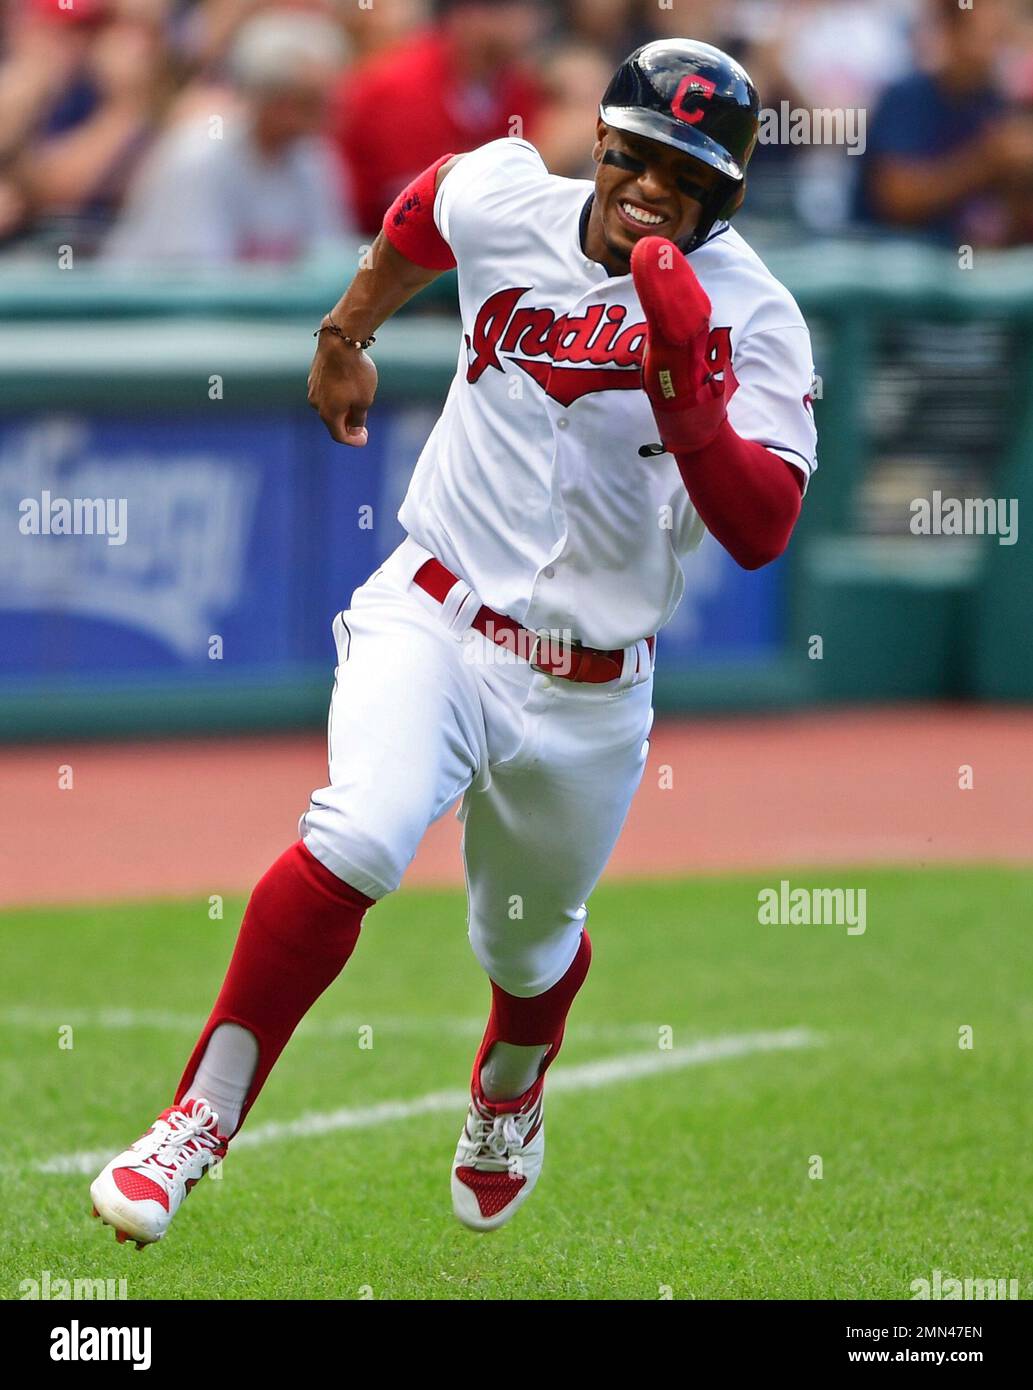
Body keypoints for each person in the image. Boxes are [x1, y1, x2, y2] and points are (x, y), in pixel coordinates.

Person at [90, 37, 817, 1243]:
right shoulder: (509, 196)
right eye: (637, 152)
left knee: (526, 952)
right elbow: (423, 209)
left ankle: (509, 1087)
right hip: (434, 607)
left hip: (590, 682)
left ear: (724, 195)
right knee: (361, 833)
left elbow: (762, 528)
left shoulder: (759, 319)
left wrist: (688, 383)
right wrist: (345, 330)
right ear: (601, 141)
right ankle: (192, 1127)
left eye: (685, 174)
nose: (651, 185)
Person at [103, 9, 352, 265]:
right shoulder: (198, 156)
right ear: (272, 99)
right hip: (150, 302)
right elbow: (197, 280)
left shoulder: (313, 158)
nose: (328, 111)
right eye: (311, 101)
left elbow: (329, 258)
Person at [332, 0, 545, 235]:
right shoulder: (397, 86)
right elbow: (412, 208)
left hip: (468, 241)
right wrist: (553, 151)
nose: (532, 22)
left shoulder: (517, 85)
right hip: (376, 245)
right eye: (516, 10)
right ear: (468, 15)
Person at [858, 0, 1033, 246]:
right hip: (890, 269)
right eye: (982, 33)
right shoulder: (906, 98)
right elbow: (896, 199)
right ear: (951, 30)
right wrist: (987, 160)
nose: (994, 46)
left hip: (969, 273)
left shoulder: (998, 105)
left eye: (999, 35)